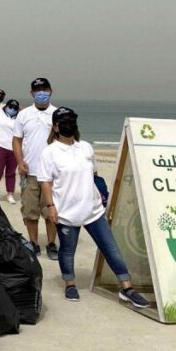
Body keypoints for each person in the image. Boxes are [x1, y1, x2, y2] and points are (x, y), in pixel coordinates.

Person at [38, 107, 150, 308]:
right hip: (67, 212)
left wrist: (103, 196)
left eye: (71, 120)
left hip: (93, 210)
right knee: (67, 250)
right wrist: (50, 206)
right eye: (64, 121)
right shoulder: (49, 152)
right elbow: (45, 182)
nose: (68, 124)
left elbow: (95, 176)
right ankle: (70, 283)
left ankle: (127, 287)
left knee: (111, 248)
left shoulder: (86, 148)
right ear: (55, 127)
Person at [14, 77, 59, 259]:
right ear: (31, 93)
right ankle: (33, 243)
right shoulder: (23, 115)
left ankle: (51, 243)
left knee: (51, 211)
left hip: (52, 174)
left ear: (51, 91)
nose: (41, 93)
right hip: (30, 172)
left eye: (44, 89)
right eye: (37, 90)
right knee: (30, 211)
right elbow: (17, 140)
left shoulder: (57, 114)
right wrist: (19, 161)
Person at [0, 97, 20, 203]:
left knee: (11, 173)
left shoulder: (19, 119)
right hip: (0, 147)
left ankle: (10, 194)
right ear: (5, 106)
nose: (12, 109)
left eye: (15, 108)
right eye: (10, 106)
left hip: (14, 149)